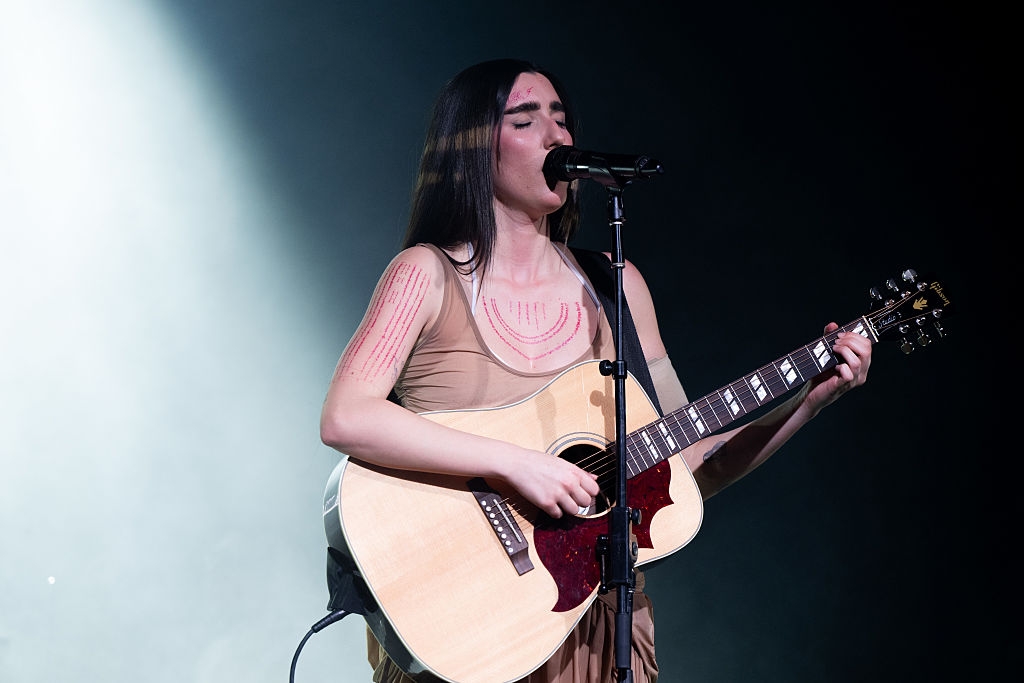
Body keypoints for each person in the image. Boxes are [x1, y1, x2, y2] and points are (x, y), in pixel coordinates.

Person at [319, 58, 872, 683]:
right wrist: (518, 463)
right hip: (469, 622)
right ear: (473, 148)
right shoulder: (425, 274)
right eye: (526, 120)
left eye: (562, 119)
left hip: (598, 627)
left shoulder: (617, 287)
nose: (558, 136)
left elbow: (693, 464)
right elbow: (346, 415)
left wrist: (806, 402)